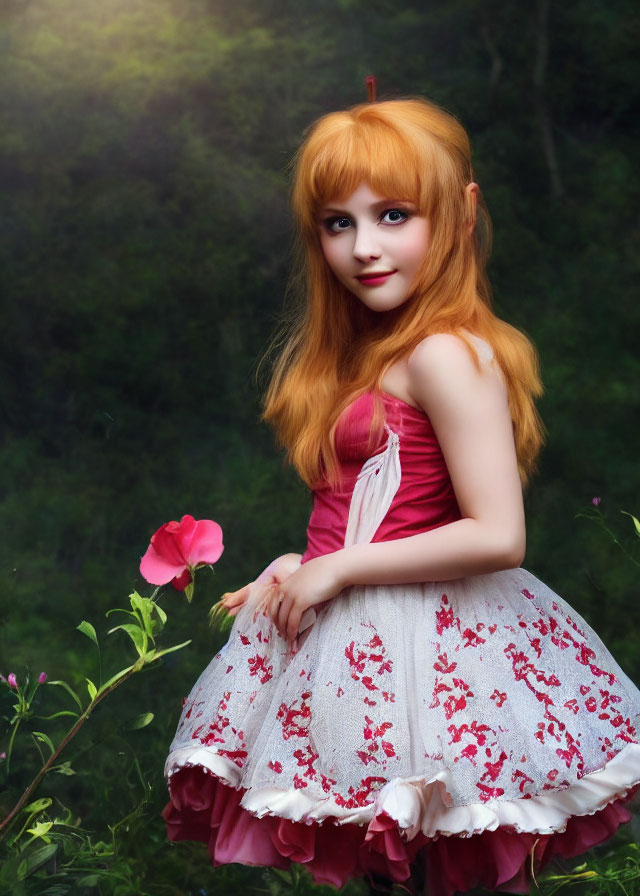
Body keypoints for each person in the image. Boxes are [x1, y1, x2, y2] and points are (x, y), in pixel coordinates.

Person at [162, 97, 640, 896]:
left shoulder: (446, 354)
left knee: (441, 847)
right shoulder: (374, 355)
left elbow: (497, 535)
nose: (363, 247)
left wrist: (341, 570)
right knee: (395, 857)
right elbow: (368, 509)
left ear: (461, 212)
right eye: (337, 223)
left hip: (436, 643)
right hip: (367, 641)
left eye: (392, 215)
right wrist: (301, 564)